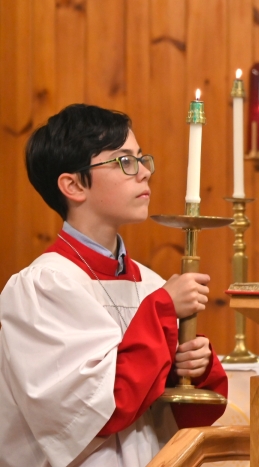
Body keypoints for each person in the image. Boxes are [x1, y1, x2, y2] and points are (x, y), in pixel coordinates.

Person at [0, 104, 228, 467]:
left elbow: (182, 418)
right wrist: (163, 310)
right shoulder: (44, 287)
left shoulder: (150, 282)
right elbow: (92, 414)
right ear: (73, 185)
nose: (144, 173)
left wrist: (192, 369)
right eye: (125, 162)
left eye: (142, 159)